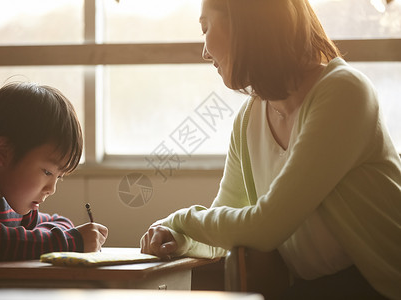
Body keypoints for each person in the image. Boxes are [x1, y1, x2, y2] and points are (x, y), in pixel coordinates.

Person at [140, 0, 401, 299]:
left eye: (205, 28)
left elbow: (264, 227)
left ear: (244, 26)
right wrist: (177, 239)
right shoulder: (248, 119)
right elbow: (227, 228)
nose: (205, 52)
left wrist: (179, 221)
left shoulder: (344, 91)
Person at [0, 82, 108, 263]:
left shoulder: (15, 207)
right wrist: (69, 242)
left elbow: (62, 223)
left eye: (59, 177)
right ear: (4, 152)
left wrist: (66, 237)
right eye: (47, 172)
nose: (51, 189)